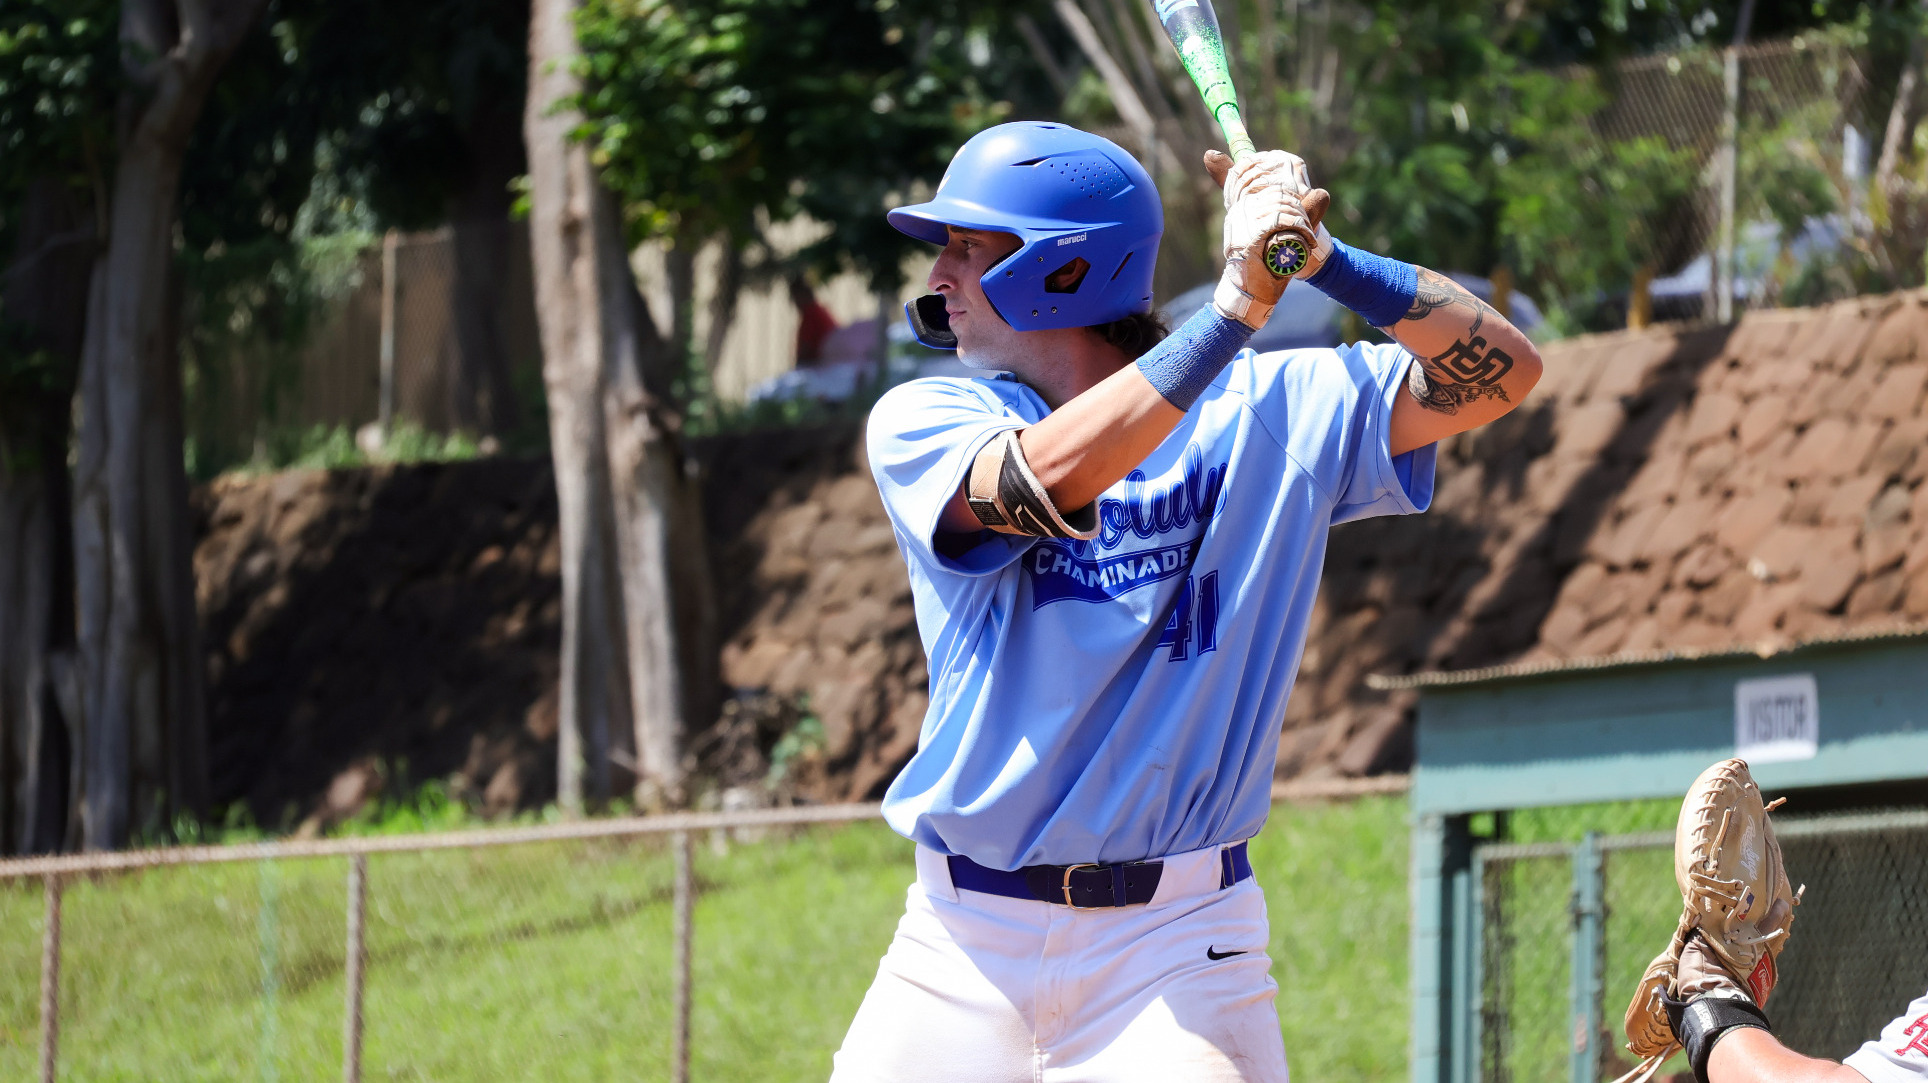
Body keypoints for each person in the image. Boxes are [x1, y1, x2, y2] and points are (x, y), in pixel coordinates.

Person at [833, 120, 1542, 1082]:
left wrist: (1324, 259)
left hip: (1177, 942)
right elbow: (1034, 482)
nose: (939, 276)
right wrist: (1236, 309)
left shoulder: (1273, 408)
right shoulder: (934, 416)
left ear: (1064, 271)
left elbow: (1501, 369)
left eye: (968, 246)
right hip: (962, 942)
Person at [790, 274, 840, 368]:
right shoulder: (818, 311)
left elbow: (806, 349)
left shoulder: (811, 314)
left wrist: (797, 369)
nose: (794, 303)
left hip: (820, 366)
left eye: (795, 297)